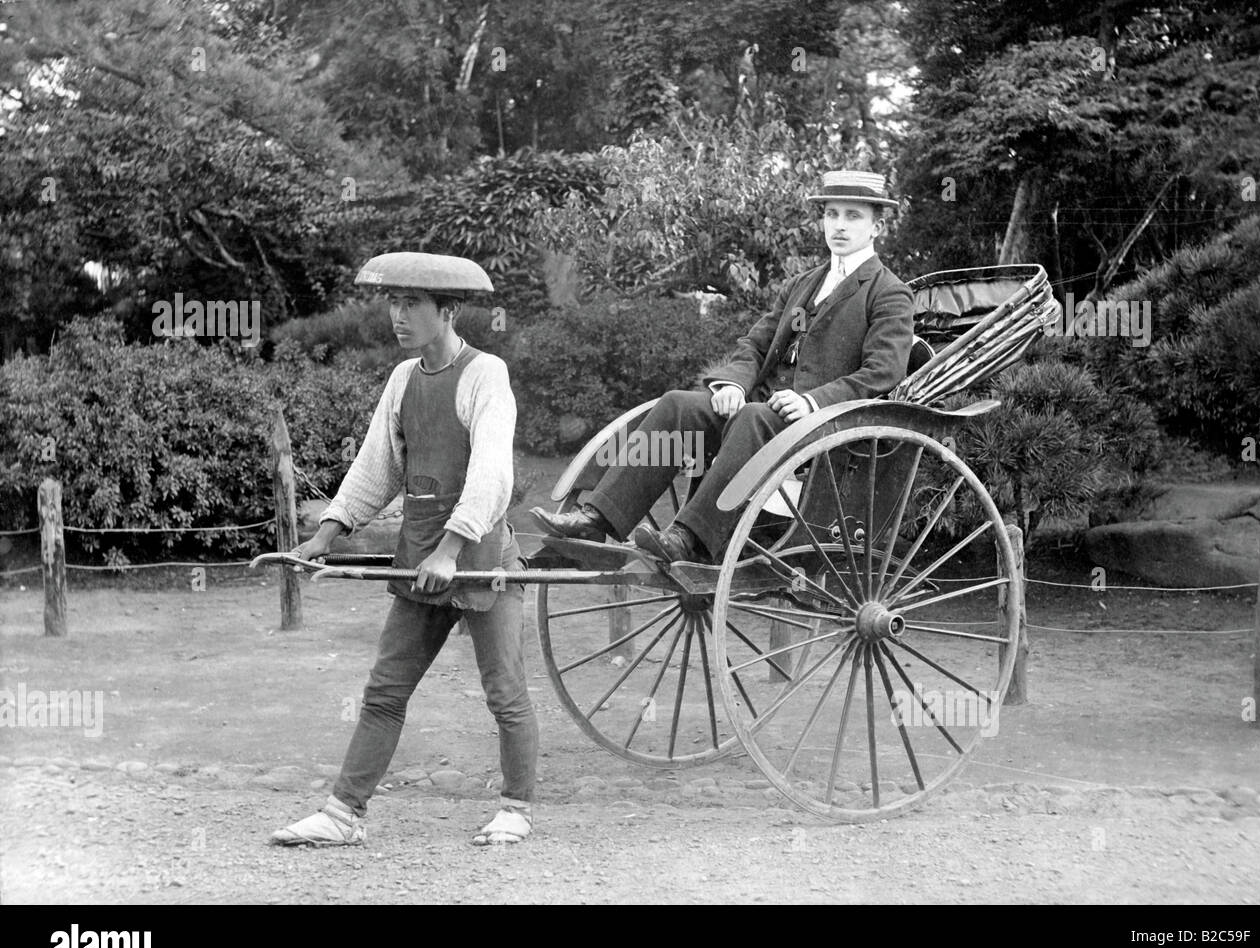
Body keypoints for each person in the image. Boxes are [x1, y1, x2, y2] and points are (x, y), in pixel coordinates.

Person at [271, 252, 538, 848]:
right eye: (393, 303)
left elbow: (492, 475)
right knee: (386, 690)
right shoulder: (403, 380)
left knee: (504, 692)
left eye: (411, 303)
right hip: (418, 557)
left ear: (446, 311)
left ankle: (515, 809)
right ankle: (342, 815)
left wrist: (452, 549)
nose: (397, 315)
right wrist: (324, 536)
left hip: (481, 556)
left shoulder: (485, 374)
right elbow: (376, 468)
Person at [531, 170, 915, 563]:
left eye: (853, 216)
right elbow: (754, 344)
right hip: (762, 414)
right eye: (832, 214)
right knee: (677, 405)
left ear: (876, 227)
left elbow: (883, 372)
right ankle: (599, 517)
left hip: (822, 427)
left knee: (752, 416)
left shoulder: (888, 292)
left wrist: (813, 402)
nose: (839, 225)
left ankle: (689, 537)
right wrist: (732, 383)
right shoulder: (803, 284)